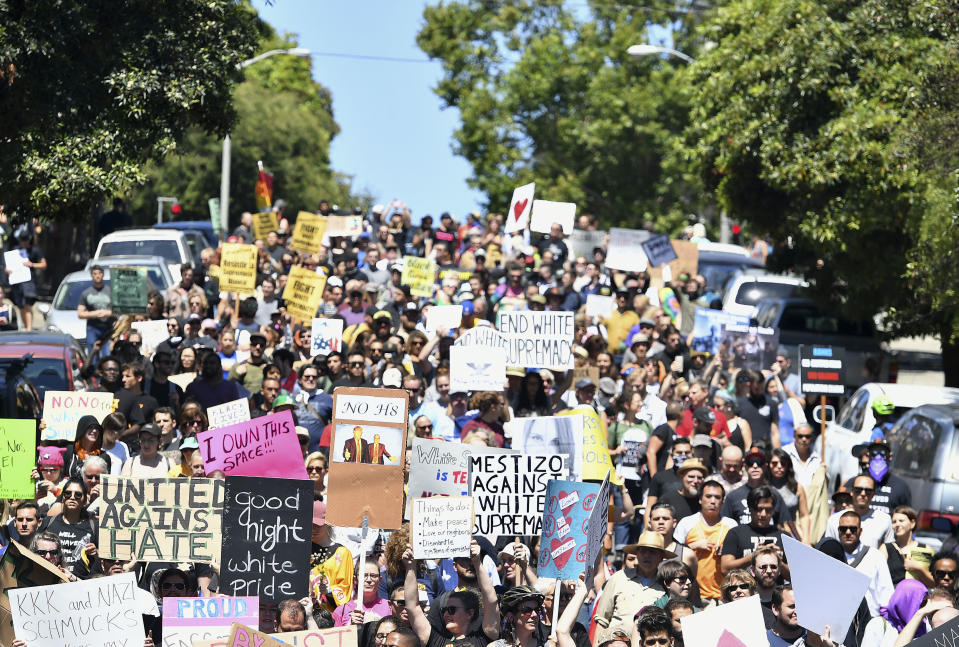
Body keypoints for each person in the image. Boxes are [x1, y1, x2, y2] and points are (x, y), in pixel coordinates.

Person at [402, 538, 500, 647]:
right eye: (444, 610)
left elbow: (491, 599)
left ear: (470, 613)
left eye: (452, 609)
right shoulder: (436, 642)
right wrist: (410, 566)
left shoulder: (483, 638)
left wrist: (477, 562)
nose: (446, 614)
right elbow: (412, 607)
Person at [593, 532, 673, 640]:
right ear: (637, 554)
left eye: (652, 552)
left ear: (661, 557)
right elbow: (602, 621)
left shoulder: (666, 585)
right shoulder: (618, 578)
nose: (647, 555)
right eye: (643, 551)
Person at [674, 479, 737, 602]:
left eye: (717, 497)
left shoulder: (731, 525)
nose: (713, 501)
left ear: (722, 501)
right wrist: (693, 546)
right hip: (692, 594)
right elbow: (673, 556)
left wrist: (728, 552)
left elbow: (739, 559)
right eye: (708, 496)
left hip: (723, 595)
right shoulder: (687, 523)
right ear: (700, 499)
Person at [835, 510, 895, 617]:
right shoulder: (831, 556)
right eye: (843, 529)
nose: (848, 532)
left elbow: (887, 595)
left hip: (870, 622)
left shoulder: (876, 557)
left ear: (860, 531)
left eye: (853, 529)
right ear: (838, 531)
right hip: (837, 619)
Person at [721, 485, 787, 575]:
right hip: (745, 587)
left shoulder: (784, 537)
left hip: (777, 588)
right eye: (759, 509)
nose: (763, 514)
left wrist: (778, 561)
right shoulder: (736, 533)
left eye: (768, 510)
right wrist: (753, 556)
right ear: (750, 509)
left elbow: (795, 576)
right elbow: (725, 569)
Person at [38, 477, 98, 575]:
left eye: (78, 494)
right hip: (51, 581)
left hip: (80, 584)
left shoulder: (93, 527)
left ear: (84, 500)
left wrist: (96, 553)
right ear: (63, 497)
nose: (72, 497)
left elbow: (104, 562)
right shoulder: (48, 523)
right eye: (68, 493)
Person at [825, 474, 894, 549]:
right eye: (858, 490)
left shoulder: (884, 520)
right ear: (851, 491)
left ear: (873, 494)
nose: (863, 494)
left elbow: (889, 552)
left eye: (868, 491)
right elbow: (828, 550)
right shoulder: (834, 520)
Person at [843, 441, 912, 516]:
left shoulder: (901, 487)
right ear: (868, 455)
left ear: (890, 456)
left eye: (883, 454)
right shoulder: (854, 482)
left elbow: (906, 515)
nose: (878, 457)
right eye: (874, 453)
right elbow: (841, 509)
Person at [310, 501, 355, 612]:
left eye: (318, 525)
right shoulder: (299, 550)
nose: (314, 528)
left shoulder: (342, 553)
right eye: (311, 524)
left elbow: (345, 589)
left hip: (328, 616)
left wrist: (329, 591)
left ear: (328, 523)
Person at [767, 586, 840, 647]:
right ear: (776, 609)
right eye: (792, 606)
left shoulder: (821, 638)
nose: (797, 611)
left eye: (800, 606)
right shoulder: (764, 640)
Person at [767, 447, 810, 541]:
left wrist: (806, 539)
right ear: (768, 465)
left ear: (788, 465)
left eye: (783, 463)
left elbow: (804, 515)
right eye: (774, 463)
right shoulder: (763, 487)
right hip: (768, 534)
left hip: (791, 534)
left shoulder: (797, 487)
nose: (779, 466)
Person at [333, 557, 391, 626]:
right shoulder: (342, 611)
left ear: (380, 580)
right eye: (364, 575)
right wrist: (351, 625)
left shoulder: (389, 607)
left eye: (373, 576)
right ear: (355, 580)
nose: (369, 580)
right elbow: (337, 635)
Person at [77, 264, 115, 358]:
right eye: (95, 273)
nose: (97, 275)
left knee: (107, 355)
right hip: (92, 328)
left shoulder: (111, 291)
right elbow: (80, 313)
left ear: (103, 275)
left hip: (108, 327)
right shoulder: (86, 293)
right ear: (92, 275)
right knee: (92, 355)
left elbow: (119, 311)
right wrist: (94, 314)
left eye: (99, 273)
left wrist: (108, 313)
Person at [62, 415, 115, 480]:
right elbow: (61, 476)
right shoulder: (70, 451)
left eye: (97, 428)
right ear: (82, 430)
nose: (94, 431)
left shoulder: (104, 457)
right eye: (90, 427)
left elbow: (105, 484)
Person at [751, 545, 784, 628]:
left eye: (773, 567)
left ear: (779, 570)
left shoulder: (788, 601)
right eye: (763, 567)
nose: (769, 571)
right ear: (753, 571)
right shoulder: (747, 602)